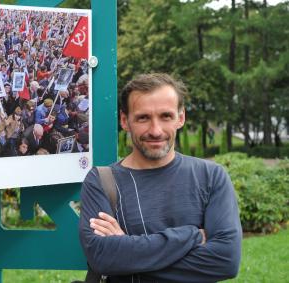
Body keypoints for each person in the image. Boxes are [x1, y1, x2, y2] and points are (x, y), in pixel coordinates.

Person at [79, 73, 242, 282]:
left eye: (166, 116)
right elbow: (102, 257)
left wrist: (127, 255)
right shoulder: (101, 181)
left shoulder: (211, 177)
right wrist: (191, 235)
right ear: (124, 120)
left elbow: (226, 261)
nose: (155, 131)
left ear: (180, 118)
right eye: (143, 118)